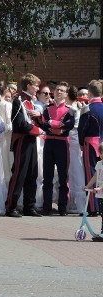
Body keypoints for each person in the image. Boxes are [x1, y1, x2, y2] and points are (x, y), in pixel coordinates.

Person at [5, 73, 44, 217]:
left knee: (32, 174)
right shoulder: (18, 100)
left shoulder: (31, 101)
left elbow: (37, 120)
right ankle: (10, 207)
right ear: (28, 85)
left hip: (32, 139)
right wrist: (37, 130)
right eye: (36, 85)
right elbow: (20, 124)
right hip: (22, 139)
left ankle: (29, 206)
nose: (38, 88)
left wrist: (39, 117)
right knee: (19, 174)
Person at [38, 81, 75, 216]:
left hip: (62, 144)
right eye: (57, 90)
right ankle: (47, 207)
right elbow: (43, 124)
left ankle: (62, 207)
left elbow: (70, 124)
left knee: (63, 177)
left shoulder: (70, 109)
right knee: (47, 177)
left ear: (66, 94)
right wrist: (57, 125)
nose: (59, 92)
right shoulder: (47, 108)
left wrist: (53, 124)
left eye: (62, 91)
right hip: (49, 143)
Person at [78, 79, 103, 216]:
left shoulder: (87, 109)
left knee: (91, 174)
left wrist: (81, 144)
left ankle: (93, 208)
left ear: (89, 92)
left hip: (91, 144)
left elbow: (82, 130)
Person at [66, 85, 87, 214]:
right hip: (75, 140)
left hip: (73, 139)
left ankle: (78, 204)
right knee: (76, 170)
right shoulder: (80, 107)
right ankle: (76, 203)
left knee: (75, 171)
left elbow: (69, 124)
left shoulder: (72, 109)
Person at [0, 85, 14, 184]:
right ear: (5, 92)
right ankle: (6, 184)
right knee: (5, 161)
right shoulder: (7, 105)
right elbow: (9, 124)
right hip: (5, 137)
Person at [83, 142, 103, 241]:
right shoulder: (99, 164)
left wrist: (99, 188)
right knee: (102, 214)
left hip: (100, 191)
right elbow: (95, 176)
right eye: (102, 153)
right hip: (100, 195)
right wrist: (88, 185)